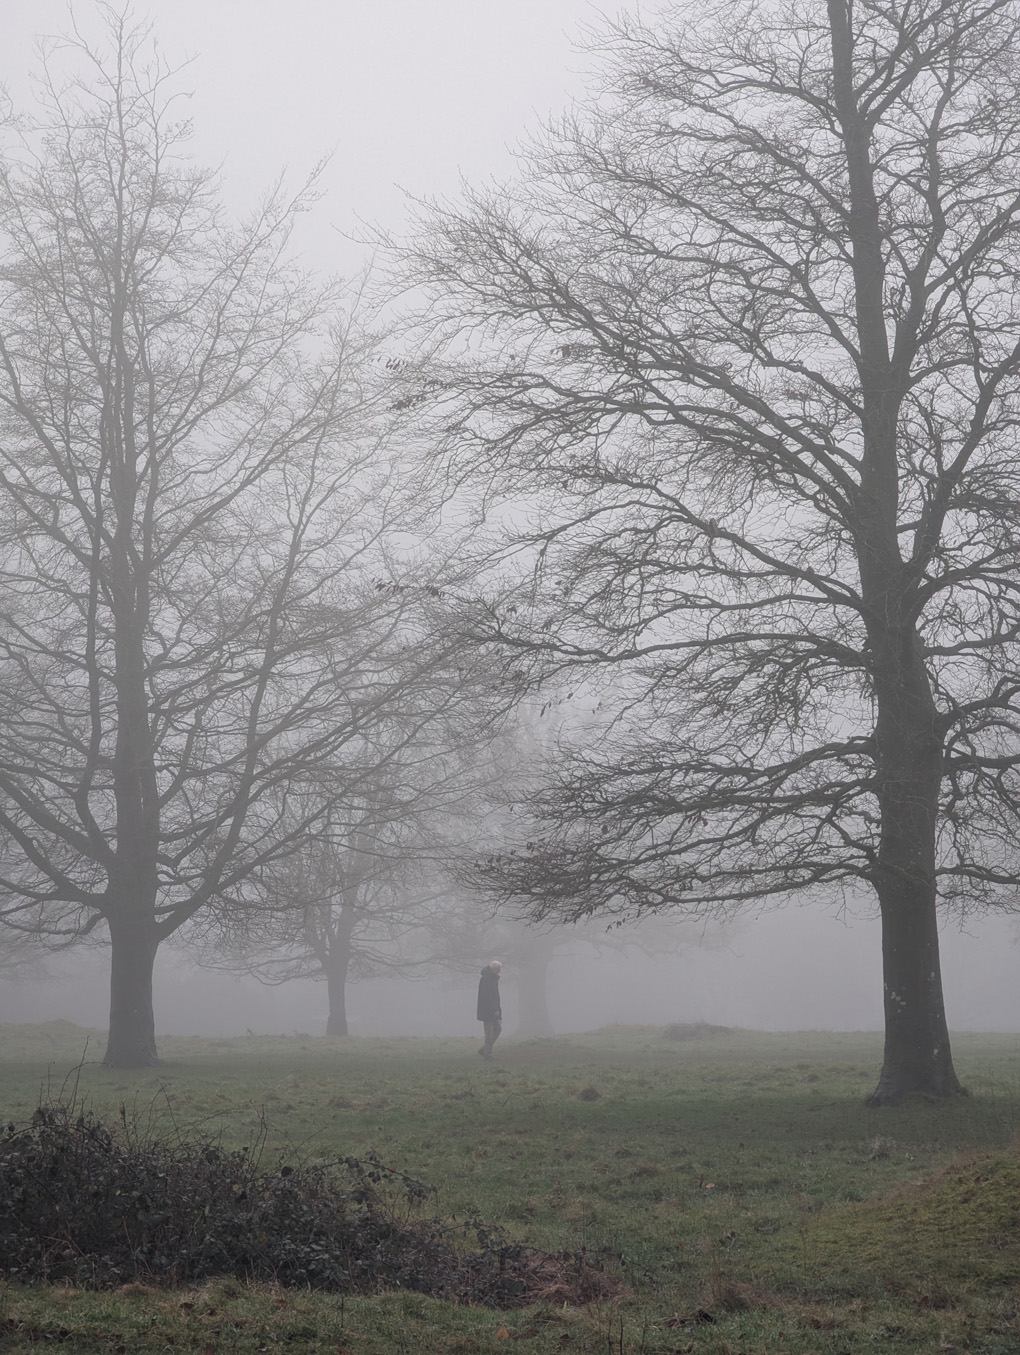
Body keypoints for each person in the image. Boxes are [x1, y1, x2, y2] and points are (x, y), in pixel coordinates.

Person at [476, 959, 502, 1059]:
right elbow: (488, 997)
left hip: (493, 1010)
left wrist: (497, 1010)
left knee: (498, 1029)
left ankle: (484, 1049)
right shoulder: (487, 979)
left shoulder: (491, 978)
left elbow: (495, 997)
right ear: (495, 969)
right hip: (488, 1011)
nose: (500, 971)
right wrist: (495, 1010)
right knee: (489, 1034)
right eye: (499, 969)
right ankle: (487, 1054)